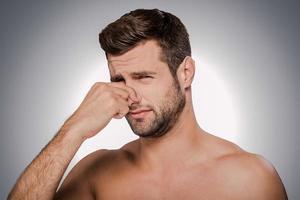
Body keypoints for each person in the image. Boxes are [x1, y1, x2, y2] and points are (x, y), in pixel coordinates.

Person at [8, 8, 287, 200]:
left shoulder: (248, 178)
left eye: (143, 77)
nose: (130, 94)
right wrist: (74, 130)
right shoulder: (97, 173)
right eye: (118, 79)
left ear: (186, 73)